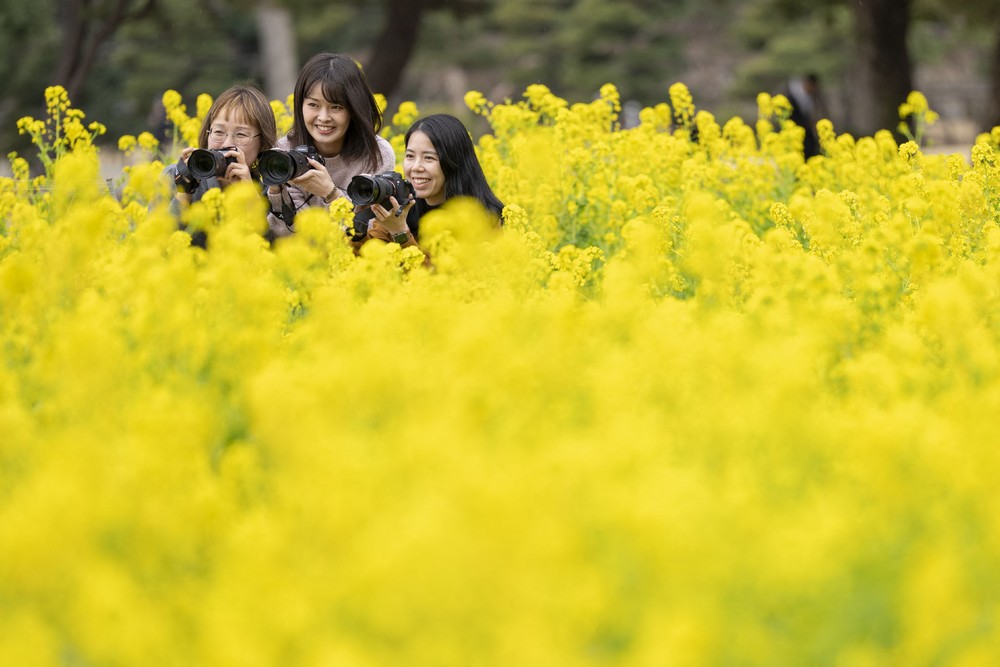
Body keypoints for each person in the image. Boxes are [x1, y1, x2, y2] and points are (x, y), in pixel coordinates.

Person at [266, 52, 396, 241]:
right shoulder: (285, 152)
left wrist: (330, 193)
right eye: (313, 105)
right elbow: (287, 235)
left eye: (336, 107)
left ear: (354, 108)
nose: (324, 117)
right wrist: (277, 193)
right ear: (300, 105)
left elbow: (368, 235)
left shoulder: (377, 155)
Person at [361, 113, 504, 249]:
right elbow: (367, 263)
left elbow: (450, 273)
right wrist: (357, 228)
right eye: (410, 156)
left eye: (429, 158)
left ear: (453, 161)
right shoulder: (401, 206)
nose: (416, 167)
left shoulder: (485, 219)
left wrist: (400, 234)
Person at [166, 84, 277, 246]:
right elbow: (154, 248)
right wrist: (184, 192)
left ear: (263, 143)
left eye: (241, 134)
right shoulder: (173, 177)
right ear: (207, 133)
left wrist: (249, 197)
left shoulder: (272, 191)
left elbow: (271, 256)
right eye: (218, 132)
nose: (227, 143)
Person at [785, 73, 823, 159]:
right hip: (794, 137)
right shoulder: (792, 97)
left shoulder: (805, 97)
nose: (813, 90)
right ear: (809, 83)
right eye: (813, 87)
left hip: (802, 138)